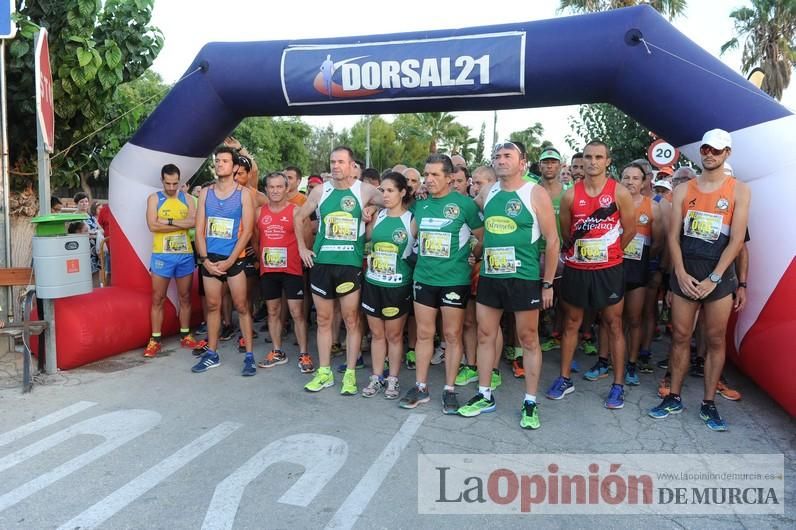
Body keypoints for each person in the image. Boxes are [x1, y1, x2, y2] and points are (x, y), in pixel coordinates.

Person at [649, 129, 750, 431]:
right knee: (680, 337)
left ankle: (708, 403)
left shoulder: (739, 190)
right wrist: (679, 272)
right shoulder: (683, 189)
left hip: (718, 277)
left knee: (715, 340)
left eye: (716, 150)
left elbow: (736, 242)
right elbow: (672, 237)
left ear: (727, 154)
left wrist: (715, 278)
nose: (709, 154)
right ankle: (674, 396)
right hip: (686, 273)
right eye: (706, 149)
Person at [457, 141, 559, 430]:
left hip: (524, 277)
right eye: (497, 156)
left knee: (528, 340)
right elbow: (466, 213)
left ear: (522, 162)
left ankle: (529, 401)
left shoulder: (534, 192)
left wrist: (548, 283)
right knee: (486, 335)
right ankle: (485, 394)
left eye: (507, 156)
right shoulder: (488, 192)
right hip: (491, 275)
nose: (501, 160)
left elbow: (552, 241)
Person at [546, 140, 636, 409]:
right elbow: (566, 233)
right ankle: (564, 379)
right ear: (581, 161)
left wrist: (611, 253)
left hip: (609, 270)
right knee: (571, 323)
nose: (593, 161)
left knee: (613, 324)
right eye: (588, 157)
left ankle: (618, 385)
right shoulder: (570, 195)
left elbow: (629, 230)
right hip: (578, 269)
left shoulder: (619, 192)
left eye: (599, 157)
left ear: (608, 161)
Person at [295, 146, 383, 395]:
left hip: (349, 265)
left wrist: (372, 210)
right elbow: (298, 217)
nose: (335, 166)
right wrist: (303, 248)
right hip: (322, 263)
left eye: (341, 162)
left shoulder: (363, 190)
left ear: (352, 165)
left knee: (351, 321)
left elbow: (391, 199)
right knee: (323, 320)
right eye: (332, 161)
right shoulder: (321, 190)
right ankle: (324, 373)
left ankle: (350, 374)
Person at [399, 153, 484, 414]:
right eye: (427, 174)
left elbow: (481, 238)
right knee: (424, 334)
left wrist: (474, 257)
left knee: (451, 335)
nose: (429, 179)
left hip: (454, 280)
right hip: (424, 278)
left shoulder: (465, 204)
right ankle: (421, 386)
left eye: (436, 174)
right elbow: (411, 236)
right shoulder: (421, 206)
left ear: (449, 177)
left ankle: (449, 390)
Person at [192, 146, 256, 375]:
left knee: (241, 307)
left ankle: (249, 356)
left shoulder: (244, 194)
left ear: (235, 166)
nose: (220, 164)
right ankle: (212, 353)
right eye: (217, 160)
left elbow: (247, 231)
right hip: (211, 260)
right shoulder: (206, 193)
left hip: (234, 260)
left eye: (225, 161)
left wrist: (230, 261)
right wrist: (204, 259)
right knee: (212, 306)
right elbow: (199, 230)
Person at [360, 172, 416, 399]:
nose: (385, 195)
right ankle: (376, 377)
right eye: (382, 190)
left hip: (397, 286)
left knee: (393, 336)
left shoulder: (412, 220)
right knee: (376, 334)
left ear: (402, 192)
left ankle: (392, 379)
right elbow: (366, 240)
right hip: (373, 282)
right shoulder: (378, 215)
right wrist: (370, 210)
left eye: (390, 190)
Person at [254, 171, 314, 373]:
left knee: (297, 313)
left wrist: (302, 259)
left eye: (279, 186)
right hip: (268, 269)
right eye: (271, 187)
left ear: (286, 188)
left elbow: (306, 239)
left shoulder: (296, 211)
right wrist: (259, 258)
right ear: (266, 189)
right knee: (272, 311)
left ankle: (304, 354)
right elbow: (256, 239)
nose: (275, 190)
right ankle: (277, 351)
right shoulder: (259, 212)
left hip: (292, 269)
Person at [143, 164, 199, 358]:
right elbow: (152, 225)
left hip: (184, 255)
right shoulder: (154, 199)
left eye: (175, 183)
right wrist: (177, 224)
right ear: (162, 180)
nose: (172, 187)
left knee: (185, 297)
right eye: (168, 183)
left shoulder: (189, 199)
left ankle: (185, 335)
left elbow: (193, 222)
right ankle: (155, 340)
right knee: (157, 298)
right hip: (162, 256)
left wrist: (165, 222)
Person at [74, 192, 103, 287]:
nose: (84, 204)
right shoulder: (73, 217)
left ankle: (96, 293)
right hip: (81, 249)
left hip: (94, 250)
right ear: (76, 204)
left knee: (95, 272)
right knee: (82, 272)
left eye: (86, 201)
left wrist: (97, 233)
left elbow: (101, 229)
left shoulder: (91, 217)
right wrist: (89, 234)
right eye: (81, 202)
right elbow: (72, 233)